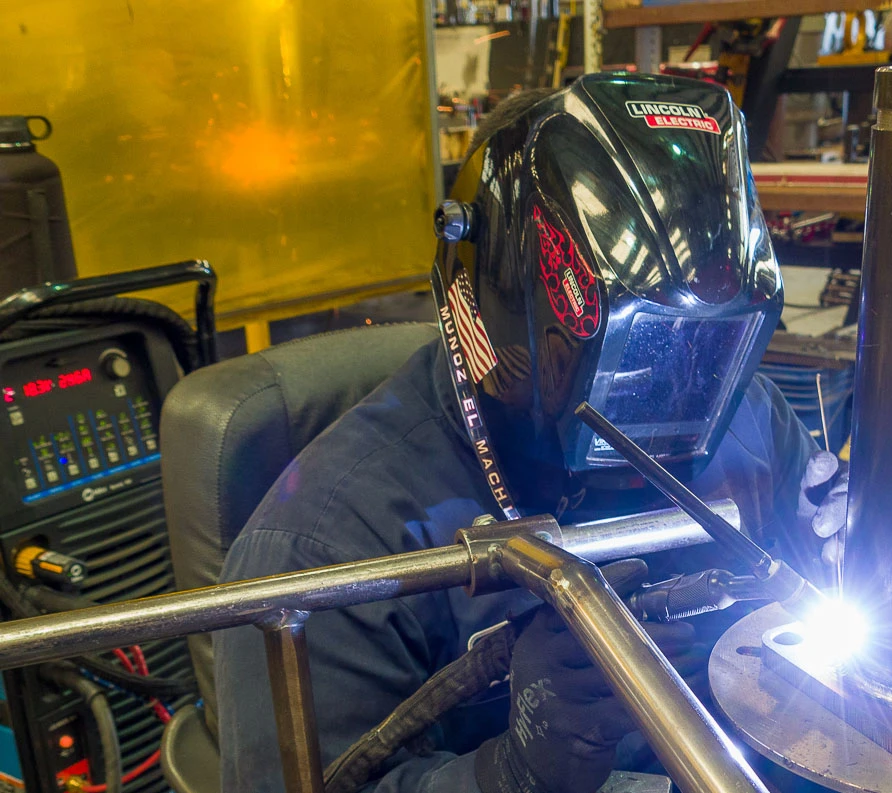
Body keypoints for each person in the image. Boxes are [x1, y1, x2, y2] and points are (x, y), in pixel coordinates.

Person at [214, 72, 847, 793]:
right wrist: (513, 772)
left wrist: (855, 549)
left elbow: (827, 625)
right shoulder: (321, 546)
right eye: (636, 354)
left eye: (705, 353)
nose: (673, 397)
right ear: (496, 306)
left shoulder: (749, 416)